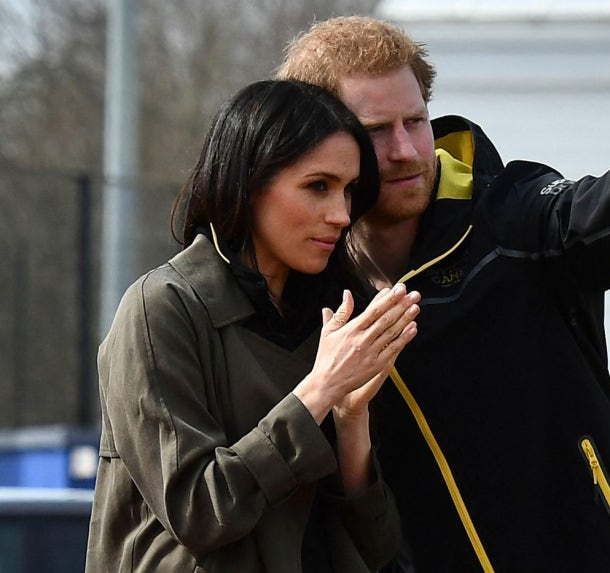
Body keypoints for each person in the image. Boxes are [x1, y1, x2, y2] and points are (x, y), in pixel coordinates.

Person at [277, 16, 610, 573]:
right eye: (375, 130)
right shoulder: (306, 281)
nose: (405, 149)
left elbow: (598, 210)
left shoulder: (508, 216)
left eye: (415, 120)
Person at [85, 79, 422, 573]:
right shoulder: (162, 309)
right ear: (247, 183)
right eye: (318, 186)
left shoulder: (339, 318)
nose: (340, 214)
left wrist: (351, 422)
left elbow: (379, 547)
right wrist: (320, 391)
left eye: (349, 191)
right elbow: (200, 512)